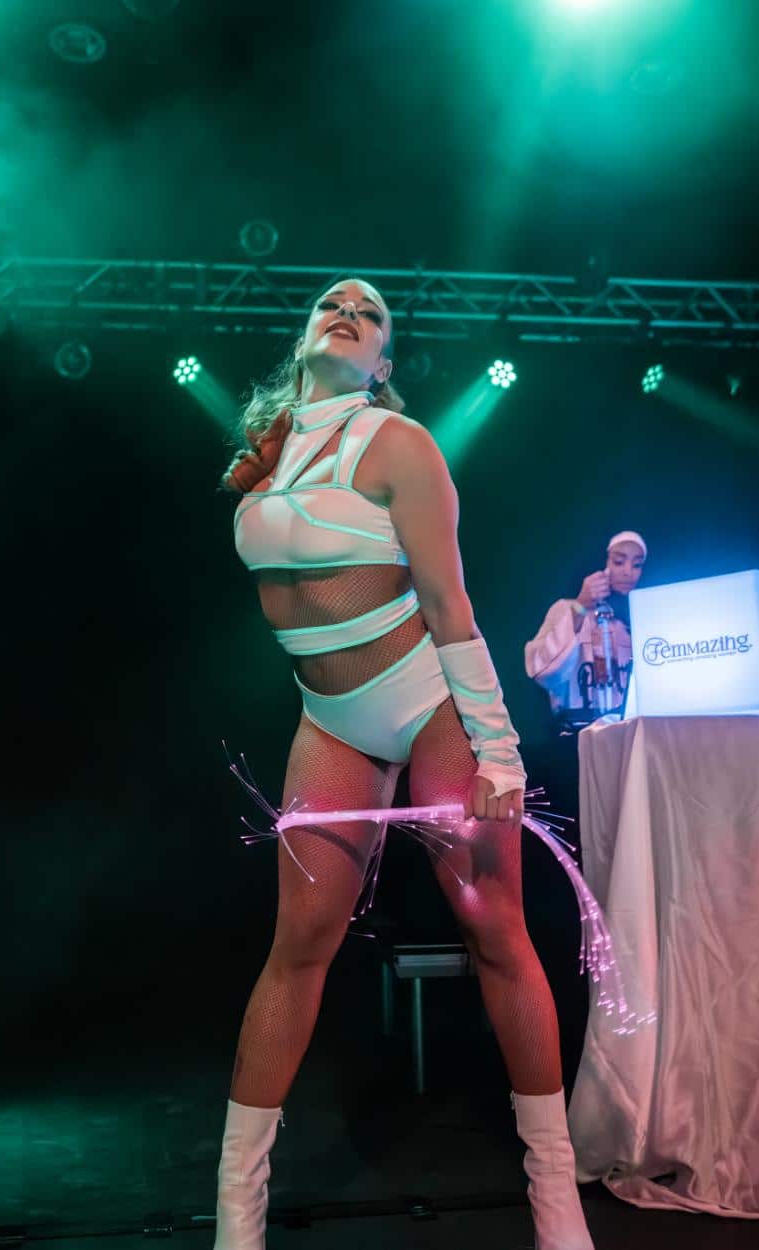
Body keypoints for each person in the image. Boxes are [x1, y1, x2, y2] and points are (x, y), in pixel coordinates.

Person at [214, 277, 595, 1250]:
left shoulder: (400, 443)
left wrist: (498, 750)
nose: (347, 308)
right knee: (298, 942)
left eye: (370, 312)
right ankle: (234, 1223)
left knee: (493, 927)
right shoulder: (265, 453)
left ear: (382, 361)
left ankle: (557, 1207)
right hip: (328, 717)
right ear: (303, 336)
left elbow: (448, 604)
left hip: (429, 700)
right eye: (330, 303)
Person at [525, 534, 648, 722]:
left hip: (633, 729)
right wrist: (581, 607)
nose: (628, 572)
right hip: (580, 730)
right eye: (618, 561)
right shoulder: (567, 609)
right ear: (603, 562)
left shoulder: (642, 618)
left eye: (637, 564)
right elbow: (542, 671)